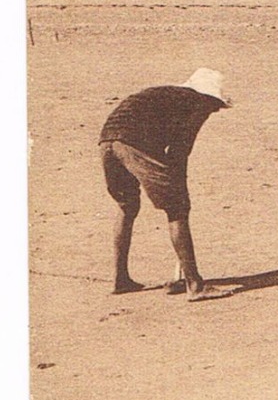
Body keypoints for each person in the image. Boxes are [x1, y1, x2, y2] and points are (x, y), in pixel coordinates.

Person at [99, 68, 236, 301]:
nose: (214, 110)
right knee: (178, 210)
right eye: (216, 105)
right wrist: (179, 189)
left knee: (127, 206)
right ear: (209, 97)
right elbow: (180, 151)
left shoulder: (166, 95)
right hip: (133, 143)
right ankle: (195, 285)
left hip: (106, 141)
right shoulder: (196, 102)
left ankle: (120, 280)